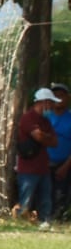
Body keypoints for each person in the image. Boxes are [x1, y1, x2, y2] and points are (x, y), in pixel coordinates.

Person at [14, 87, 58, 227]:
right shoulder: (28, 118)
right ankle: (21, 223)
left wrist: (44, 137)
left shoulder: (46, 121)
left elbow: (54, 141)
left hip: (43, 167)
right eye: (50, 103)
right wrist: (46, 137)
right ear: (43, 102)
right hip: (28, 169)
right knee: (26, 199)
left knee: (46, 199)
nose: (51, 107)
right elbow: (38, 136)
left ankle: (45, 222)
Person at [45, 83, 71, 221]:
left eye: (62, 95)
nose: (58, 98)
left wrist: (66, 166)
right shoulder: (45, 116)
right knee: (45, 193)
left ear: (68, 98)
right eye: (55, 95)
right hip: (44, 163)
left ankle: (59, 218)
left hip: (64, 163)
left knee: (61, 194)